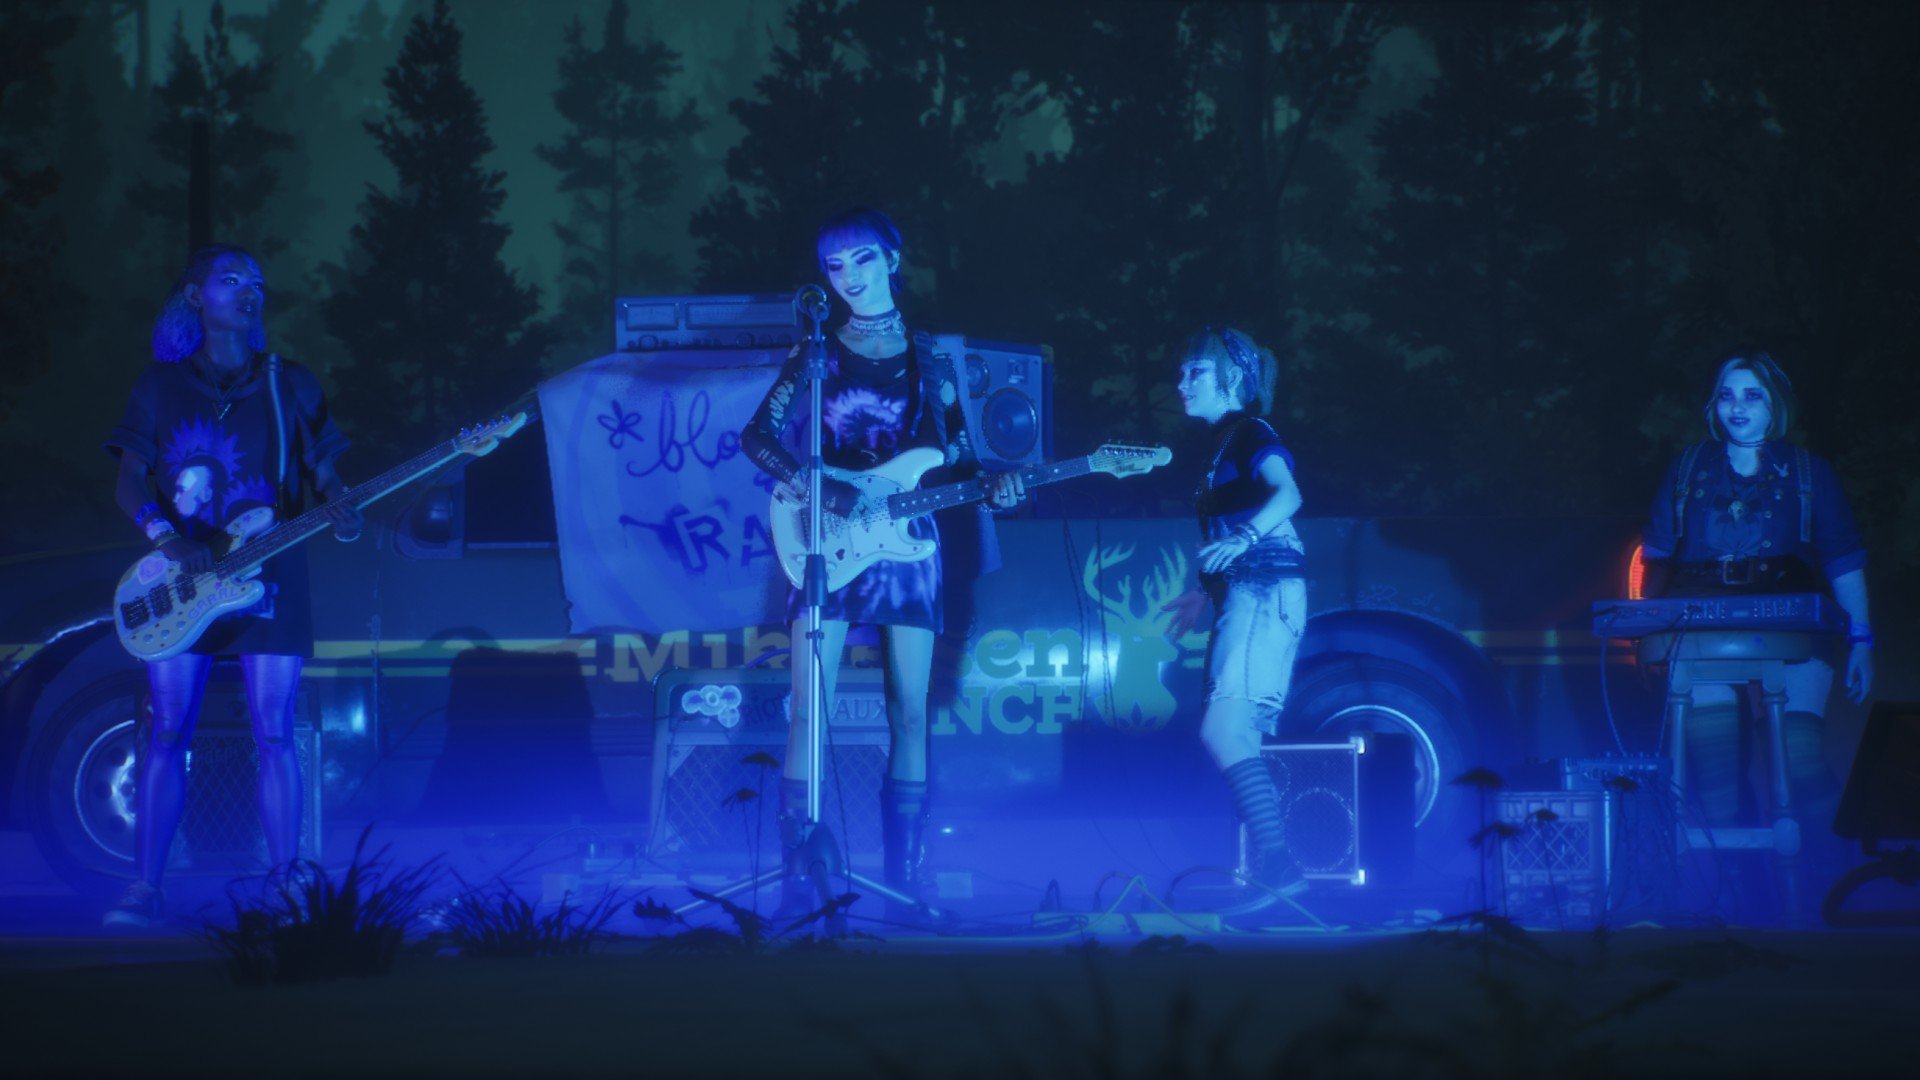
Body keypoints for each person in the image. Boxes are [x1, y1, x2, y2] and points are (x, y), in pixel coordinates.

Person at [741, 208, 1023, 918]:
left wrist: (997, 484)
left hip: (909, 544)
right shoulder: (817, 353)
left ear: (893, 259)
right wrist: (818, 486)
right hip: (824, 538)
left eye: (862, 258)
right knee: (809, 712)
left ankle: (907, 883)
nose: (848, 277)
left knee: (911, 713)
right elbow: (757, 438)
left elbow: (959, 457)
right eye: (833, 266)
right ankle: (798, 879)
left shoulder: (931, 359)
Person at [102, 245, 360, 927]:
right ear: (196, 295)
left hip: (271, 572)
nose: (250, 290)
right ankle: (146, 888)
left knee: (275, 732)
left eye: (258, 282)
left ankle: (286, 883)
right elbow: (128, 480)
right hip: (183, 580)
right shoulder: (159, 386)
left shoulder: (288, 382)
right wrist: (168, 537)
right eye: (232, 278)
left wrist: (340, 505)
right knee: (167, 731)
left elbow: (325, 471)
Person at [1639, 352, 1872, 867]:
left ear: (1775, 405)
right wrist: (1648, 632)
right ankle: (1739, 892)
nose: (1737, 406)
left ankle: (1844, 875)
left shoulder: (1810, 473)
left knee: (1799, 760)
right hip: (1701, 625)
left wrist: (1861, 640)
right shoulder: (1688, 468)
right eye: (1726, 395)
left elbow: (1844, 561)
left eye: (1752, 395)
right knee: (1716, 773)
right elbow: (1656, 556)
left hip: (1794, 626)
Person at [1161, 326, 1308, 894]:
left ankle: (1280, 868)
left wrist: (1245, 539)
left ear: (1234, 378)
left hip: (1263, 584)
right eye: (1182, 371)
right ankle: (1276, 874)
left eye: (1196, 371)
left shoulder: (1250, 431)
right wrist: (1204, 591)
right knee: (1237, 736)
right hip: (1249, 587)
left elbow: (1289, 494)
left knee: (1223, 730)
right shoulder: (1225, 442)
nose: (1182, 382)